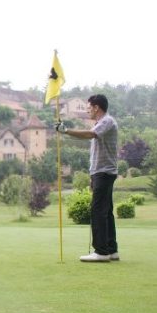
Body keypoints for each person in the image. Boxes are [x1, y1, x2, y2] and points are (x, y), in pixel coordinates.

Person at [55, 94, 119, 262]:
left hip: (104, 172)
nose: (88, 110)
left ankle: (101, 252)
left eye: (89, 107)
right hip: (101, 173)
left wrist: (66, 130)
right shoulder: (102, 122)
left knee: (98, 211)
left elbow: (90, 135)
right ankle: (111, 250)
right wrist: (92, 176)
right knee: (106, 212)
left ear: (97, 107)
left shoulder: (107, 121)